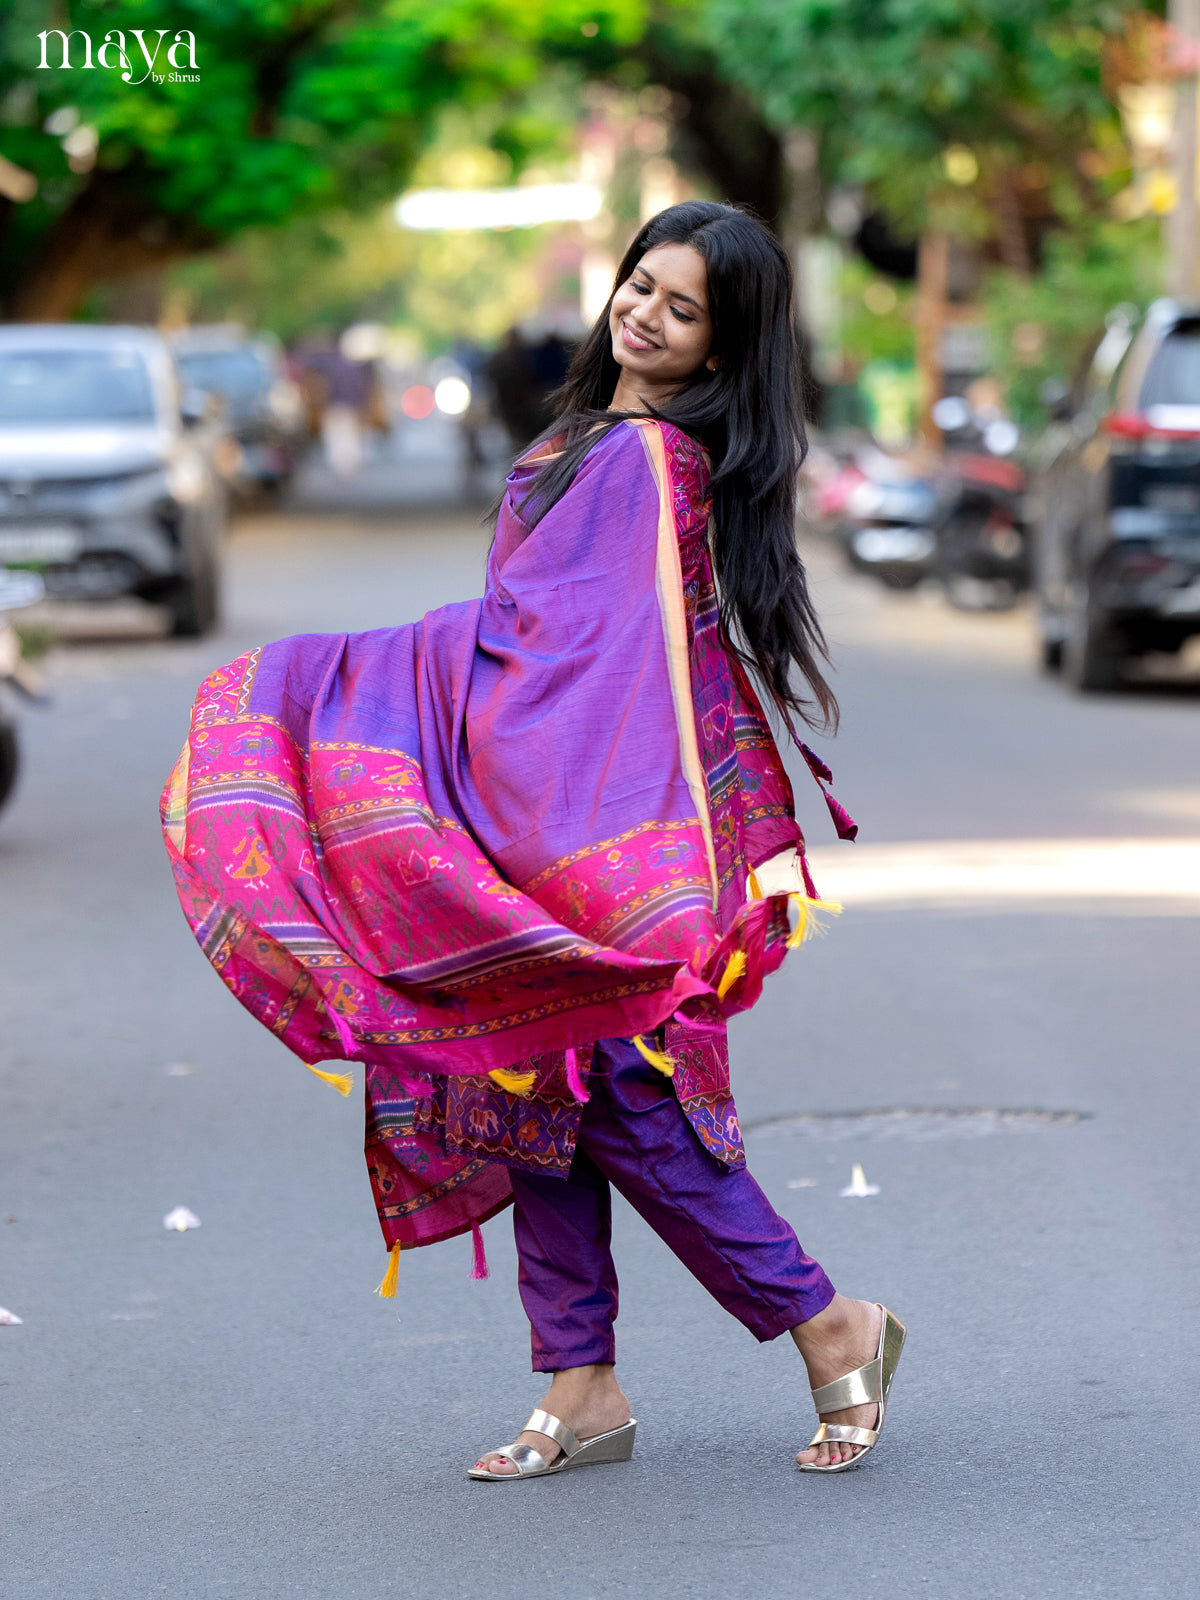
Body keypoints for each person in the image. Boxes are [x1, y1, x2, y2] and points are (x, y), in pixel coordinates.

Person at [161, 201, 904, 1480]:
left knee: (627, 1098)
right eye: (642, 284)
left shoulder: (647, 460)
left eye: (683, 309)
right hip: (525, 811)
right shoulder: (589, 438)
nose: (646, 314)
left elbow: (588, 664)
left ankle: (827, 1318)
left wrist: (353, 688)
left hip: (586, 828)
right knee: (523, 1087)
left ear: (720, 349)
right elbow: (530, 633)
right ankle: (583, 1378)